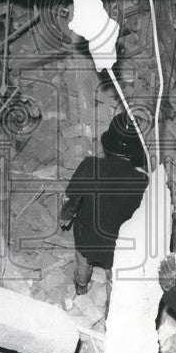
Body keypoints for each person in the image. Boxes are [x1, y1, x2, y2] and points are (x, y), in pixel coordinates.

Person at [60, 113, 148, 298]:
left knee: (83, 263)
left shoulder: (90, 165)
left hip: (88, 237)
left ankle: (81, 287)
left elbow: (72, 198)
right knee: (114, 273)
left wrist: (66, 216)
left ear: (109, 144)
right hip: (117, 245)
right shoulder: (142, 181)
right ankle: (112, 304)